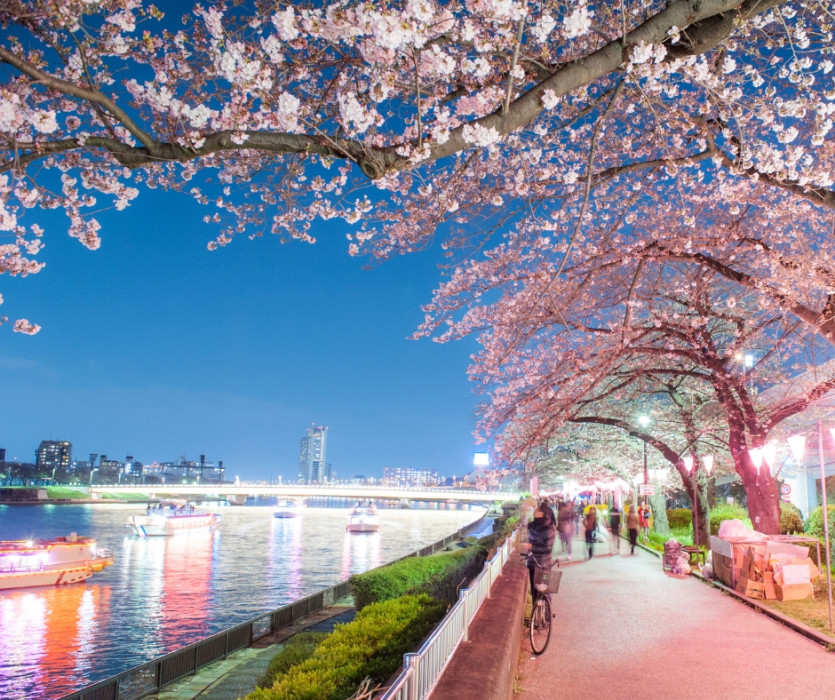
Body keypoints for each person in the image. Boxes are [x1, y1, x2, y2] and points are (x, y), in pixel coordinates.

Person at [526, 500, 556, 599]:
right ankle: (536, 612)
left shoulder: (548, 528)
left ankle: (547, 613)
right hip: (532, 562)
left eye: (537, 509)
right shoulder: (533, 526)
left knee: (545, 591)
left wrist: (531, 547)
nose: (534, 510)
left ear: (541, 513)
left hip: (543, 564)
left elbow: (547, 548)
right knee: (534, 592)